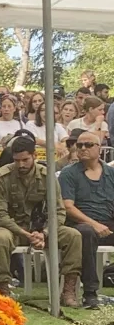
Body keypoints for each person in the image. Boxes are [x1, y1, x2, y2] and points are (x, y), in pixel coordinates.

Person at [0, 136, 83, 303]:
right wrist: (26, 233)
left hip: (41, 228)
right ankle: (3, 288)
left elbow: (59, 211)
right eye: (17, 160)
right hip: (11, 228)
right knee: (0, 237)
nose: (21, 165)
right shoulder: (1, 176)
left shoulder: (47, 176)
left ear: (35, 156)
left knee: (73, 235)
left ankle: (68, 289)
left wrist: (44, 233)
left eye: (25, 160)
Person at [58, 131, 114, 309]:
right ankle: (90, 293)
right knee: (85, 233)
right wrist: (94, 224)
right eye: (79, 145)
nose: (82, 148)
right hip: (80, 223)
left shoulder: (111, 173)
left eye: (88, 145)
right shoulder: (69, 173)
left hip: (107, 221)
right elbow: (68, 207)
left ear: (99, 148)